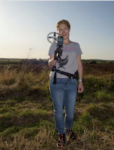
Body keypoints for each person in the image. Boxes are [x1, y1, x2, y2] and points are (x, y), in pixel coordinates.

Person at [48, 19, 84, 148]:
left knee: (71, 112)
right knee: (58, 110)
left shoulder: (76, 45)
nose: (63, 32)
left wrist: (80, 80)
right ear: (58, 32)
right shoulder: (54, 45)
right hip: (56, 81)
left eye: (65, 29)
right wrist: (55, 56)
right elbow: (50, 64)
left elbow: (79, 64)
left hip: (72, 82)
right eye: (60, 30)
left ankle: (69, 129)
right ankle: (61, 133)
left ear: (69, 29)